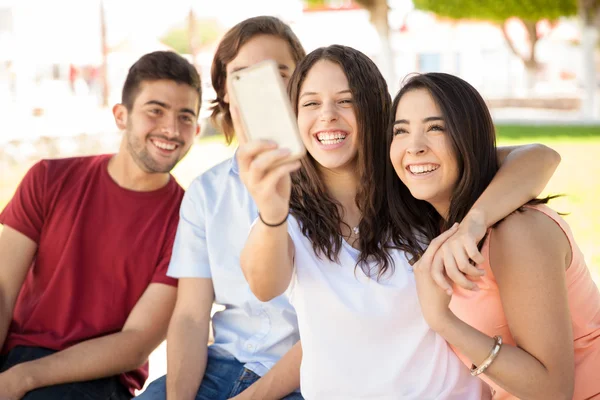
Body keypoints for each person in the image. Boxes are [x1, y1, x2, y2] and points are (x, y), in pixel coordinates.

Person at [237, 45, 561, 399]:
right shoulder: (287, 217)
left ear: (376, 110)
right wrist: (272, 212)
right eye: (311, 103)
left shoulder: (416, 185)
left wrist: (473, 223)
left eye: (346, 101)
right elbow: (264, 286)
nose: (327, 115)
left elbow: (540, 157)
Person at [0, 50, 202, 400]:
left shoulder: (189, 220)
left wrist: (24, 378)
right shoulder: (49, 179)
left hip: (99, 377)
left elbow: (136, 343)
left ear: (197, 129)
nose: (171, 129)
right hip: (16, 355)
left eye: (185, 117)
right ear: (121, 116)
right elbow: (3, 289)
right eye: (155, 111)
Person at [388, 72, 600, 400]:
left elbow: (553, 391)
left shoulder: (518, 230)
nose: (415, 147)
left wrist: (441, 319)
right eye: (400, 131)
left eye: (436, 127)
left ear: (468, 138)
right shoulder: (444, 229)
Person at [137, 16, 306, 400]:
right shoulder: (206, 192)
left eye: (279, 71)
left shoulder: (333, 184)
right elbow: (191, 316)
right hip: (222, 364)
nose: (264, 85)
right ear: (225, 90)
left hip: (304, 378)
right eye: (244, 75)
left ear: (300, 82)